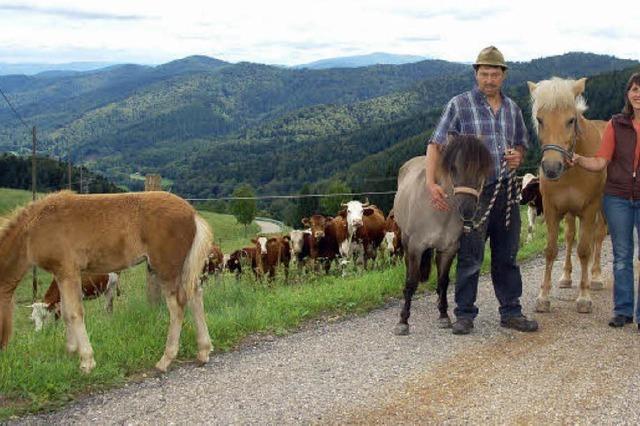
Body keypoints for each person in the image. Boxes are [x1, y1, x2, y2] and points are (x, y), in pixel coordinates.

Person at [426, 46, 538, 335]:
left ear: (503, 75)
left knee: (507, 256)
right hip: (474, 193)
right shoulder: (459, 105)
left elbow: (521, 144)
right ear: (476, 74)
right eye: (484, 73)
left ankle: (511, 311)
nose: (489, 79)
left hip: (507, 191)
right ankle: (464, 314)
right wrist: (431, 183)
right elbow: (436, 144)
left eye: (495, 74)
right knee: (470, 256)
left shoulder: (512, 108)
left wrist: (518, 157)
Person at [571, 72, 640, 331]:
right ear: (627, 94)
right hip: (618, 198)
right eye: (634, 89)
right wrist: (578, 159)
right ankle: (623, 311)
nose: (638, 94)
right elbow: (601, 160)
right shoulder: (616, 124)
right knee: (622, 257)